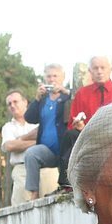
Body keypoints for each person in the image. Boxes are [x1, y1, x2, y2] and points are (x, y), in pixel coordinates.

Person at [23, 63, 72, 197]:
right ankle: (33, 194)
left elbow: (76, 102)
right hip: (47, 150)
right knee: (31, 154)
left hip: (65, 148)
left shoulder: (67, 96)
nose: (52, 79)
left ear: (62, 77)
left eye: (55, 76)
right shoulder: (43, 100)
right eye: (49, 76)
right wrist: (37, 98)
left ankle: (67, 188)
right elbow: (29, 118)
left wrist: (66, 91)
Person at [0, 89, 38, 206]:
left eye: (15, 101)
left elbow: (46, 137)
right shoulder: (8, 127)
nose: (12, 105)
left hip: (44, 168)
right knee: (22, 207)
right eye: (9, 104)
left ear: (25, 102)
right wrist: (36, 142)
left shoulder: (38, 121)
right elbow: (10, 146)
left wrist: (20, 140)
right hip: (21, 169)